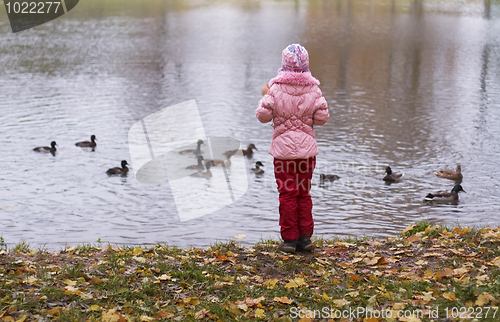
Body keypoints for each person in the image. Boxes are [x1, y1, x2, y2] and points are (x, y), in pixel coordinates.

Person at [256, 44, 329, 253]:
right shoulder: (314, 89)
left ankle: (289, 240)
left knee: (287, 194)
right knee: (303, 192)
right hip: (307, 153)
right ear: (306, 64)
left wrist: (265, 97)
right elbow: (322, 118)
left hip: (283, 154)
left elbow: (262, 117)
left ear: (284, 65)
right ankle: (305, 239)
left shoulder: (275, 89)